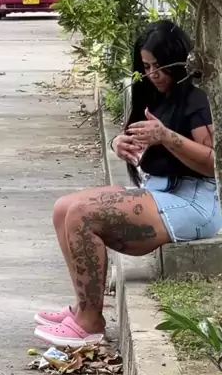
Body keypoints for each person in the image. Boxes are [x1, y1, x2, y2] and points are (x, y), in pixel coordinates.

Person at [33, 20, 222, 349]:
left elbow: (213, 163)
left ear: (177, 60)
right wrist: (118, 143)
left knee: (82, 214)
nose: (152, 74)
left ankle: (89, 323)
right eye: (145, 67)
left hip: (195, 201)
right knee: (64, 208)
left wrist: (166, 137)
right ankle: (83, 307)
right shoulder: (154, 94)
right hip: (159, 190)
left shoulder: (197, 99)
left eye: (158, 66)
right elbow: (139, 139)